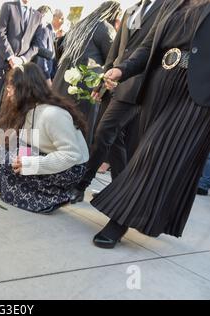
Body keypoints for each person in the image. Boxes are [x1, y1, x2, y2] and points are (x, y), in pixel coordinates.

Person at [90, 0, 210, 249]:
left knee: (155, 154)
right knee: (146, 153)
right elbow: (148, 47)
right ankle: (149, 218)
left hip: (195, 98)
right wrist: (121, 70)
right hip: (158, 85)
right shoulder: (171, 3)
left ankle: (118, 221)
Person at [0, 63, 89, 213]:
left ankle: (54, 197)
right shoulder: (26, 110)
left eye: (11, 89)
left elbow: (71, 155)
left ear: (24, 89)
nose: (8, 94)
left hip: (70, 168)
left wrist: (32, 164)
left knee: (9, 168)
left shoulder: (52, 114)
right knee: (5, 154)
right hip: (44, 154)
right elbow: (11, 147)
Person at [69, 0, 164, 204]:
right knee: (114, 141)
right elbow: (115, 52)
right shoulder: (131, 10)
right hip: (113, 83)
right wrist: (101, 84)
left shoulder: (165, 8)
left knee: (104, 133)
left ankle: (80, 185)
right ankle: (119, 193)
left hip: (137, 85)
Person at [52, 1, 122, 146]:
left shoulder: (79, 25)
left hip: (62, 80)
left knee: (58, 122)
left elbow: (60, 49)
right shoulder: (105, 28)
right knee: (80, 126)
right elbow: (112, 58)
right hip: (84, 85)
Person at [0, 0, 44, 142]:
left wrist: (23, 59)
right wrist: (10, 56)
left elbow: (37, 45)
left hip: (19, 67)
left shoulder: (38, 16)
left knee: (9, 104)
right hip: (0, 61)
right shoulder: (8, 6)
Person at [34, 6, 56, 86]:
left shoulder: (48, 30)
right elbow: (41, 57)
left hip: (44, 76)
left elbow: (52, 57)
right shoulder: (43, 30)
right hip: (41, 79)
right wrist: (47, 79)